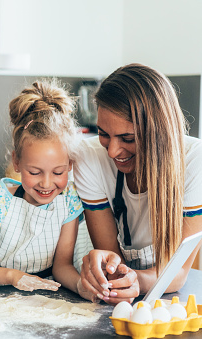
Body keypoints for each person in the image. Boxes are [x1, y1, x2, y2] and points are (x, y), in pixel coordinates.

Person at [74, 63, 202, 305]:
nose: (112, 152)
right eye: (103, 133)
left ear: (158, 133)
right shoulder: (88, 157)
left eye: (128, 138)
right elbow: (114, 263)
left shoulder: (195, 161)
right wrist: (112, 274)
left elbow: (176, 273)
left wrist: (136, 281)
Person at [0, 80, 95, 301]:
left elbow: (61, 265)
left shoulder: (69, 200)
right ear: (17, 162)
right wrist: (13, 276)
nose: (47, 183)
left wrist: (81, 286)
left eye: (58, 172)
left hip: (41, 298)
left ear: (70, 164)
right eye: (35, 172)